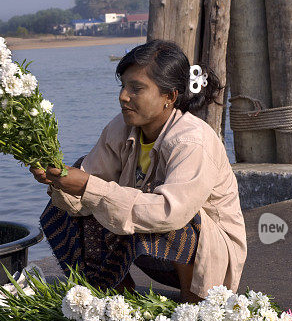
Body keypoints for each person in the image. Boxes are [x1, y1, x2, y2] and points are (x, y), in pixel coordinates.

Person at [31, 39, 246, 302]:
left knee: (172, 216)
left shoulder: (191, 140)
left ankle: (195, 305)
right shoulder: (120, 128)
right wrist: (60, 181)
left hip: (210, 256)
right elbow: (91, 180)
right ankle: (117, 298)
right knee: (71, 197)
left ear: (170, 97)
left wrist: (90, 188)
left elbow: (172, 213)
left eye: (137, 88)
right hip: (153, 248)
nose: (123, 96)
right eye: (123, 86)